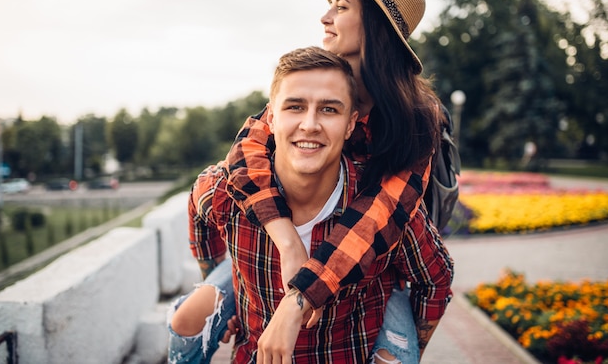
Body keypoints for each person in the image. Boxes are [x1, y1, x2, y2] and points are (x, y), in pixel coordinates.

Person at [224, 0, 453, 363]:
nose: (325, 16)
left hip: (377, 274)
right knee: (196, 312)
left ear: (375, 26)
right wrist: (286, 238)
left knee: (398, 355)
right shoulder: (317, 82)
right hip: (277, 254)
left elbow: (376, 217)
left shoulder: (415, 120)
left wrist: (301, 295)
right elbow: (245, 156)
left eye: (342, 6)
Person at [175, 46, 426, 362]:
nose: (309, 124)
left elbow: (435, 278)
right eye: (295, 107)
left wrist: (411, 345)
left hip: (346, 352)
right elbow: (197, 213)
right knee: (185, 317)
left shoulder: (384, 205)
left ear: (351, 124)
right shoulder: (226, 191)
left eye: (329, 110)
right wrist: (224, 288)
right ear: (271, 117)